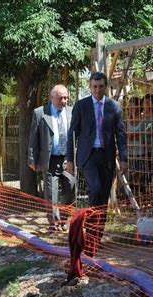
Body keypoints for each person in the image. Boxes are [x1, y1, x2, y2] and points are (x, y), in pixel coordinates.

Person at [66, 72, 128, 207]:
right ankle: (90, 225)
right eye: (94, 86)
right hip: (88, 156)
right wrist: (69, 159)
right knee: (95, 188)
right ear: (90, 87)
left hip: (107, 156)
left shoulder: (114, 107)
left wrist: (123, 159)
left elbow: (121, 134)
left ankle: (98, 228)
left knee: (103, 195)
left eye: (100, 86)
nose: (97, 90)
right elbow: (72, 133)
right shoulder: (81, 106)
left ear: (105, 86)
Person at [28, 85, 75, 232]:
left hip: (68, 159)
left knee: (71, 188)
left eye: (66, 97)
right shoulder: (40, 113)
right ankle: (53, 224)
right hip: (50, 160)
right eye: (60, 98)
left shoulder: (72, 111)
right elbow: (33, 139)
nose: (64, 101)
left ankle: (65, 219)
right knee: (51, 193)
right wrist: (32, 159)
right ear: (52, 97)